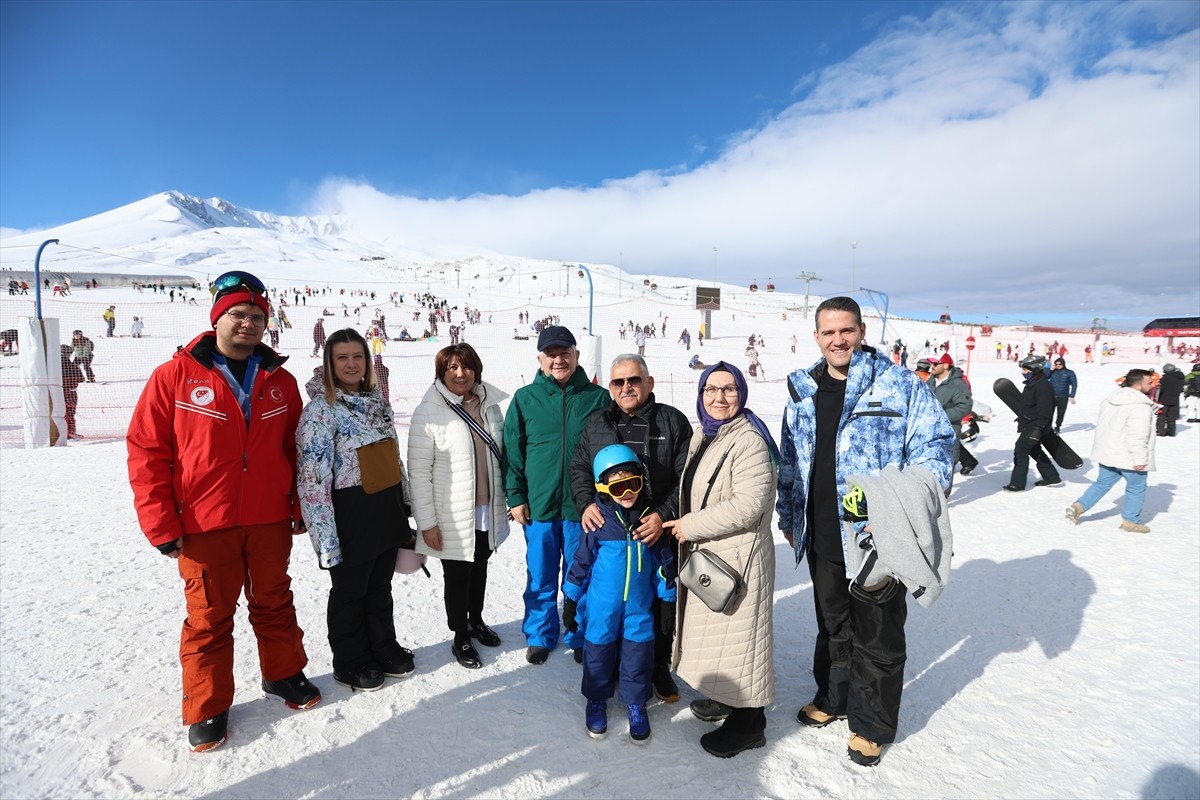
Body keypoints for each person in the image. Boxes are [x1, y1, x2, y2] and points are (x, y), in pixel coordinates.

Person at [127, 270, 319, 753]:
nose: (248, 324)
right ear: (217, 318)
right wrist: (159, 523)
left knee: (275, 599)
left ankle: (283, 674)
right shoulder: (174, 376)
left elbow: (296, 450)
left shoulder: (280, 380)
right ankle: (208, 705)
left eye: (257, 317)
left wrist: (296, 505)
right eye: (238, 314)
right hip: (203, 521)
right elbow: (148, 451)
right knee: (209, 614)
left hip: (267, 517)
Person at [776, 296, 954, 767]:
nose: (839, 340)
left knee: (877, 634)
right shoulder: (802, 391)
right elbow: (790, 462)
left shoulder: (898, 386)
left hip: (877, 539)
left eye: (847, 330)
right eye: (829, 332)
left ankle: (872, 725)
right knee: (832, 626)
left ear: (861, 331)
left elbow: (937, 447)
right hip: (819, 534)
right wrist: (788, 516)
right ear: (816, 336)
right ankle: (833, 698)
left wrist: (904, 505)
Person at [662, 361, 779, 758]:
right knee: (720, 637)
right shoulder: (706, 434)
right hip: (715, 551)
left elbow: (749, 505)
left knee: (742, 639)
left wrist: (690, 526)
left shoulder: (748, 440)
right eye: (711, 390)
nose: (719, 397)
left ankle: (750, 723)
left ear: (742, 394)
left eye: (729, 389)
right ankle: (725, 696)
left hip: (739, 555)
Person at [296, 328, 416, 693]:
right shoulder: (320, 412)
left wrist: (405, 501)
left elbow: (393, 456)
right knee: (350, 592)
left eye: (357, 357)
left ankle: (383, 647)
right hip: (350, 514)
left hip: (384, 509)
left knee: (380, 586)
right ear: (329, 364)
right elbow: (313, 480)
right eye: (342, 358)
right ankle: (349, 660)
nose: (351, 364)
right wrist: (325, 538)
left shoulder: (376, 401)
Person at [569, 354, 692, 702]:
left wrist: (662, 515)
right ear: (610, 388)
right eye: (618, 382)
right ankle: (608, 665)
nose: (627, 387)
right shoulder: (597, 423)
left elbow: (686, 476)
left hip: (657, 528)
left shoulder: (672, 421)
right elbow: (579, 467)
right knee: (610, 599)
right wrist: (587, 503)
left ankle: (657, 670)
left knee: (657, 604)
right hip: (611, 530)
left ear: (649, 383)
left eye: (634, 380)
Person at [503, 325, 609, 665]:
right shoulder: (525, 399)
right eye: (551, 354)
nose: (558, 359)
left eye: (565, 353)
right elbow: (513, 453)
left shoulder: (597, 397)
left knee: (583, 574)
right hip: (540, 506)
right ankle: (539, 633)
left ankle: (579, 632)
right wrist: (516, 496)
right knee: (541, 573)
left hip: (584, 507)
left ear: (577, 356)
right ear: (540, 359)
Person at [565, 444, 676, 742]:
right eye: (618, 486)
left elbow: (663, 566)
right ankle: (596, 699)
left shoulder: (648, 522)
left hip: (639, 609)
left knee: (638, 656)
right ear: (603, 488)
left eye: (633, 484)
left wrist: (667, 600)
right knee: (598, 653)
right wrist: (571, 598)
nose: (627, 492)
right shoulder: (598, 522)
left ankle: (636, 703)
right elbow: (581, 562)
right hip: (603, 608)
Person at [408, 343, 510, 670]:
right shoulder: (429, 412)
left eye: (465, 367)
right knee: (456, 575)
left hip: (485, 509)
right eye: (451, 367)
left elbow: (501, 457)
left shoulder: (489, 406)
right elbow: (419, 473)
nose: (460, 373)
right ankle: (460, 634)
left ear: (476, 370)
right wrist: (427, 523)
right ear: (441, 373)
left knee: (480, 566)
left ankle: (476, 620)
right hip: (450, 513)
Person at [1066, 369, 1157, 533]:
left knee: (1102, 483)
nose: (1153, 385)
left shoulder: (1110, 400)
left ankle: (1079, 506)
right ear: (1137, 386)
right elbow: (1138, 435)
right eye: (1149, 382)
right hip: (1128, 456)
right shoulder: (1140, 406)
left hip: (1108, 452)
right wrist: (1140, 459)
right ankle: (1130, 521)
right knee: (1136, 488)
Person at [1003, 354, 1062, 491]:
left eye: (1025, 370)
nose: (1022, 372)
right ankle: (1052, 477)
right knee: (1035, 450)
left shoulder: (1043, 386)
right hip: (1030, 424)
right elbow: (1030, 406)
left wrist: (1038, 428)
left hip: (1036, 426)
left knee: (1021, 450)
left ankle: (1017, 484)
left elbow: (1046, 411)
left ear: (1034, 369)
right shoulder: (1033, 384)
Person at [926, 354, 979, 477]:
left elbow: (964, 406)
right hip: (929, 431)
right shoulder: (931, 381)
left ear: (945, 365)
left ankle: (968, 463)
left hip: (948, 431)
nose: (932, 366)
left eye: (935, 364)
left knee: (945, 472)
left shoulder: (958, 384)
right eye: (931, 364)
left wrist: (941, 417)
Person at [1046, 357, 1078, 433]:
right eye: (1056, 364)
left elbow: (1074, 384)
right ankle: (1048, 427)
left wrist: (1072, 395)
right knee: (1049, 412)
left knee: (1061, 413)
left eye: (1060, 364)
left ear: (1063, 364)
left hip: (1063, 396)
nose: (1058, 366)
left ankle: (1058, 426)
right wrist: (1050, 370)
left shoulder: (1069, 373)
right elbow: (1044, 377)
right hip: (1052, 396)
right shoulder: (1052, 372)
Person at [60, 344, 84, 439]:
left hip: (54, 391)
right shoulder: (71, 365)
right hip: (70, 392)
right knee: (69, 412)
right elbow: (81, 379)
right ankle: (70, 432)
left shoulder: (51, 366)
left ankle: (58, 432)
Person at [1155, 364, 1184, 437]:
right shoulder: (1180, 378)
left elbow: (1161, 389)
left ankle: (1160, 431)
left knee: (1162, 415)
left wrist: (1156, 398)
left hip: (1164, 399)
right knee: (1172, 417)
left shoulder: (1166, 378)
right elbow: (1181, 389)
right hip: (1174, 400)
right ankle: (1171, 431)